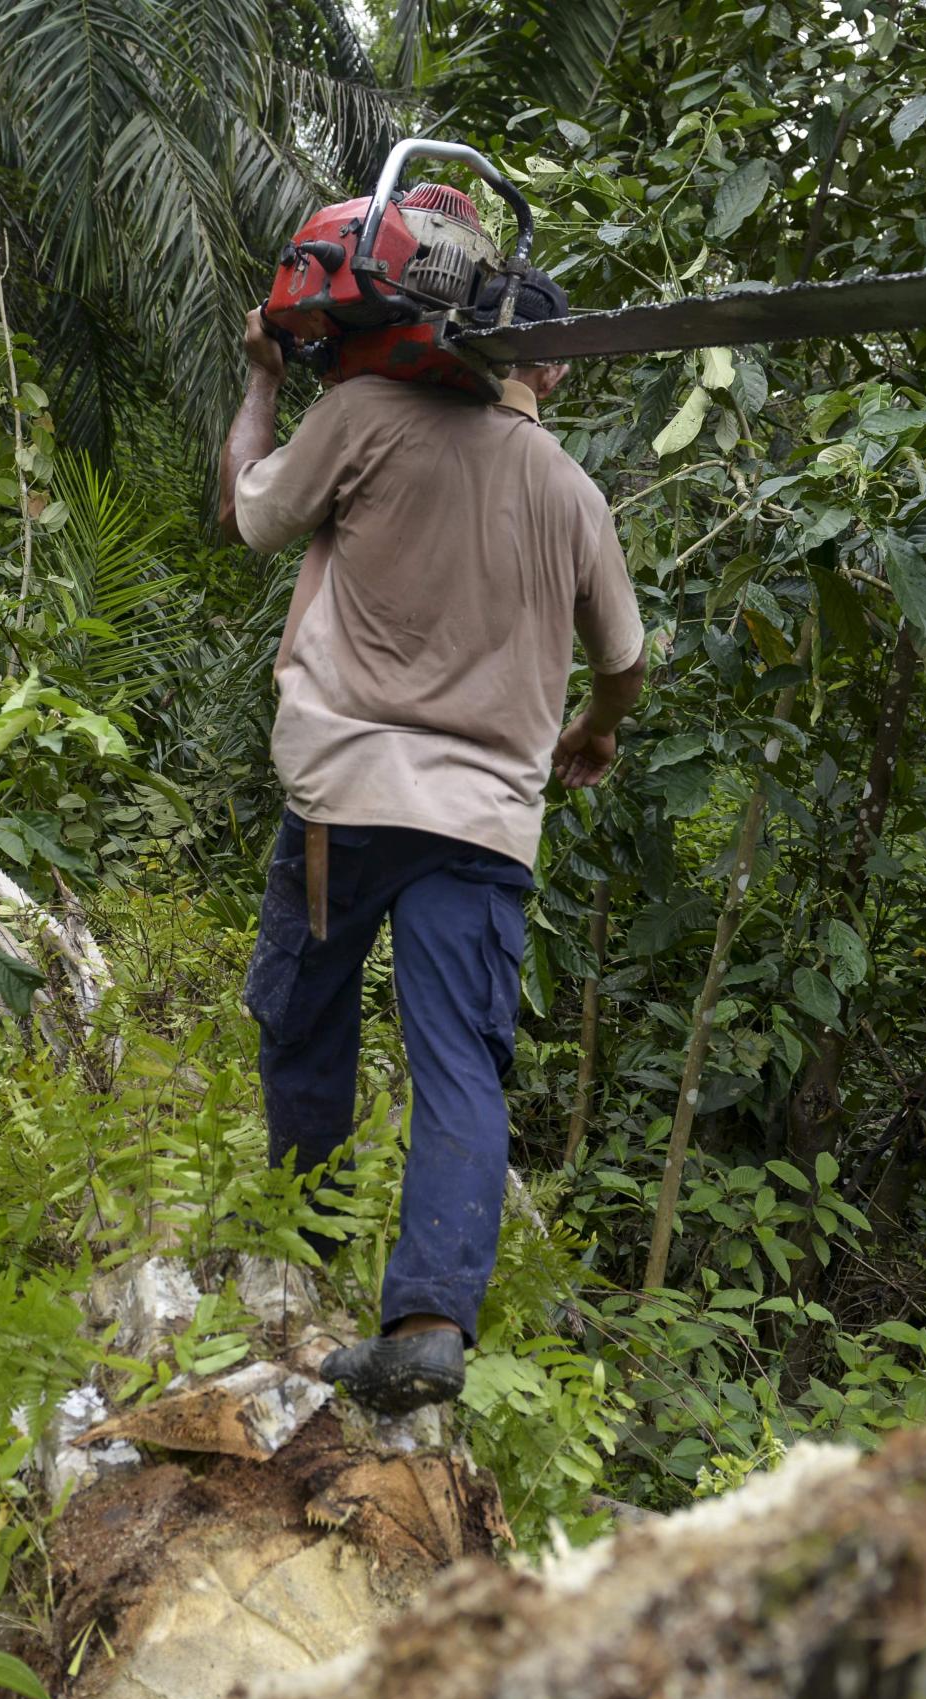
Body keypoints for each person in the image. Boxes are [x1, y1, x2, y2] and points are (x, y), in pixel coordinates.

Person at [216, 267, 647, 1413]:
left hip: (343, 805)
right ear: (554, 365)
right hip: (482, 827)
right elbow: (624, 662)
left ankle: (296, 1263)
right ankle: (422, 1327)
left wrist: (262, 380)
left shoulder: (359, 418)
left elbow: (252, 515)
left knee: (307, 1025)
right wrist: (595, 732)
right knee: (461, 1061)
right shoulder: (571, 493)